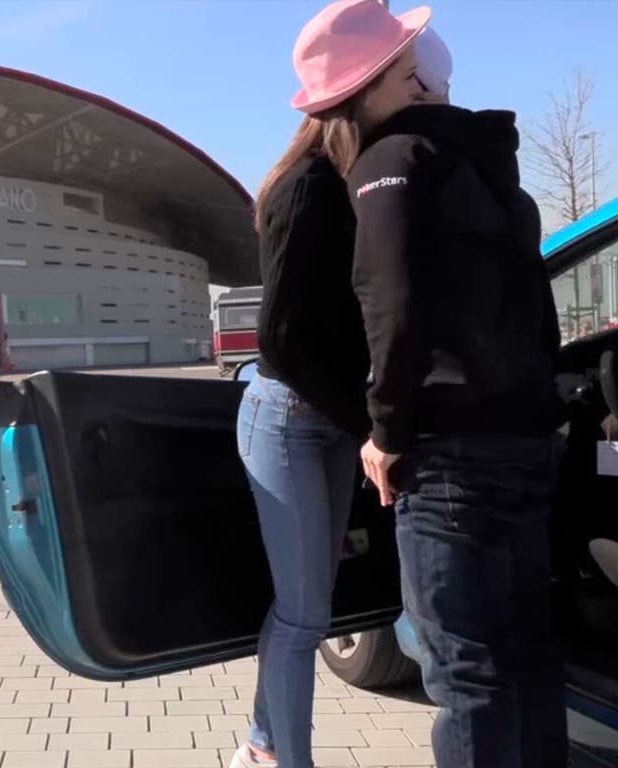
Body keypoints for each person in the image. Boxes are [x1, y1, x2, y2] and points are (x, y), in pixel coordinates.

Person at [334, 7, 569, 768]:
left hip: (449, 456)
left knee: (466, 667)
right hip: (521, 438)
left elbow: (392, 304)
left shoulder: (390, 160)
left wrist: (386, 429)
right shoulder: (497, 174)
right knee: (527, 653)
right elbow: (539, 312)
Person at [230, 3, 432, 765]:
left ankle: (259, 742)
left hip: (332, 418)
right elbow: (280, 337)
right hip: (287, 419)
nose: (417, 89)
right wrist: (370, 423)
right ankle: (285, 756)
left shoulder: (360, 176)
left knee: (310, 605)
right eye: (405, 76)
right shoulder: (310, 187)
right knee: (307, 612)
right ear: (364, 87)